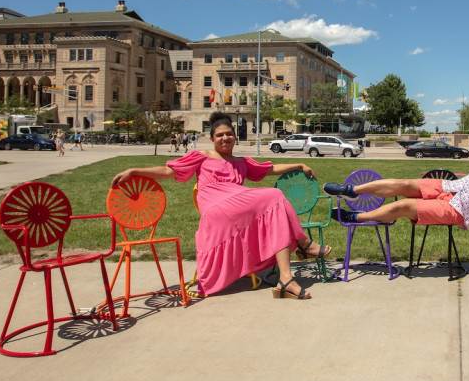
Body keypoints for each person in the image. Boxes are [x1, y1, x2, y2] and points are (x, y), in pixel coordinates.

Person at [111, 112, 331, 300]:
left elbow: (270, 168)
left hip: (237, 207)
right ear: (211, 138)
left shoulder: (242, 162)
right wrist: (135, 170)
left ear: (235, 136)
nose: (225, 138)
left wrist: (300, 164)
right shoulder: (202, 155)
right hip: (216, 207)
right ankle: (304, 244)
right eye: (220, 135)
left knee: (276, 211)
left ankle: (286, 279)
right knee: (274, 196)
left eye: (229, 134)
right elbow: (169, 171)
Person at [323, 124, 469, 243]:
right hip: (450, 187)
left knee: (402, 206)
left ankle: (356, 217)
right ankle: (351, 190)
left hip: (459, 209)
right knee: (403, 184)